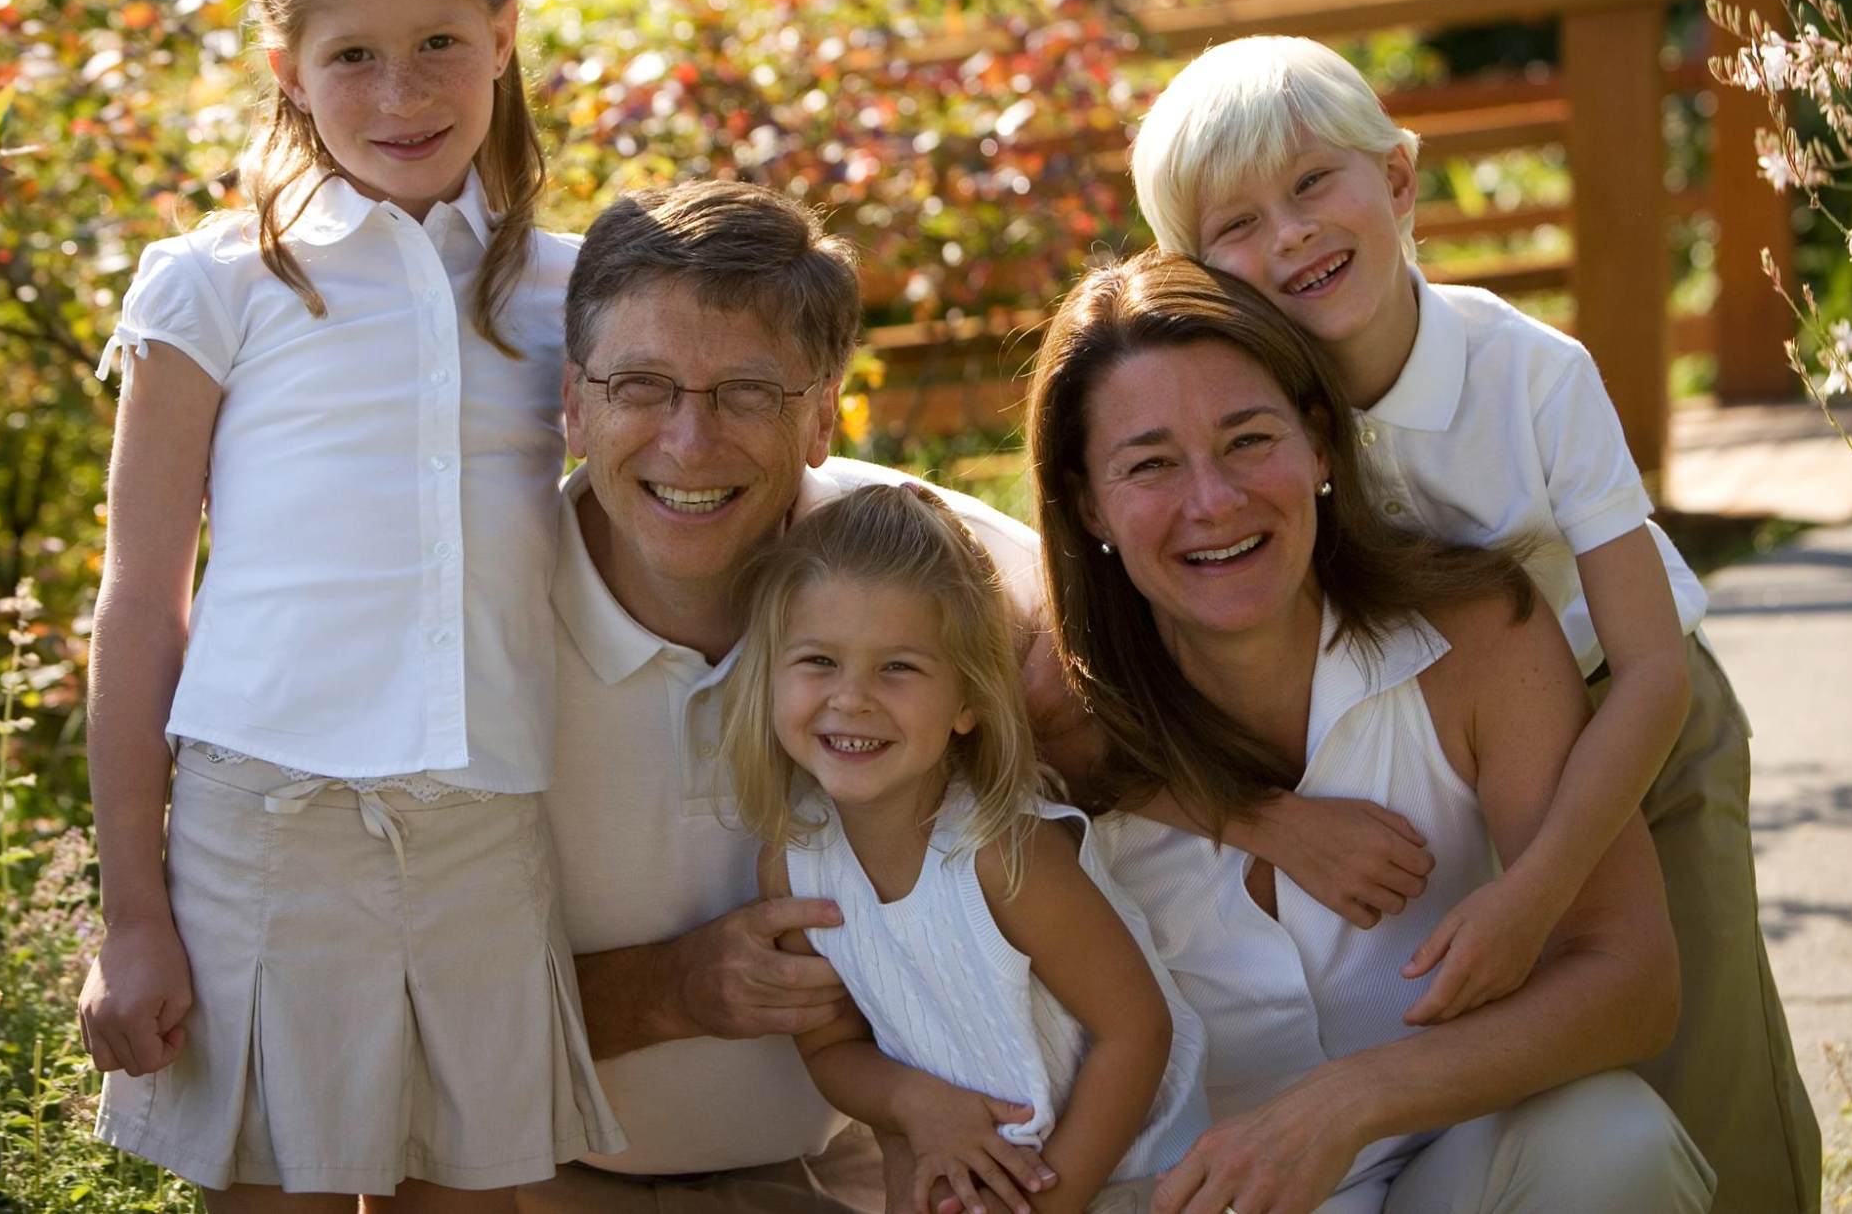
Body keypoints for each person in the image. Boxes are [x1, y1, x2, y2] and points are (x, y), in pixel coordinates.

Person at [1128, 34, 1819, 1212]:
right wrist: (1272, 819)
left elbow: (1652, 671)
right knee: (1536, 1068)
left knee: (1699, 1053)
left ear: (1397, 178)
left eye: (1311, 182)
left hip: (1625, 717)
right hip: (1439, 758)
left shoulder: (1528, 375)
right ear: (1191, 272)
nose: (1288, 235)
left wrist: (1535, 888)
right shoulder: (1252, 424)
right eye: (1234, 224)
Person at [76, 0, 620, 1205]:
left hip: (487, 830)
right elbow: (141, 601)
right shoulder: (215, 286)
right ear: (287, 69)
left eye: (439, 42)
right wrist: (132, 915)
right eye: (352, 56)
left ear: (503, 35)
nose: (401, 93)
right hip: (265, 835)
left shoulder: (577, 289)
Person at [1027, 250, 1713, 1212]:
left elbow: (1630, 981)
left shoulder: (1475, 639)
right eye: (1151, 464)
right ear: (1088, 503)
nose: (1213, 501)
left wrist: (1352, 1101)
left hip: (1448, 1166)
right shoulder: (1047, 716)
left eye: (1247, 439)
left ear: (1318, 444)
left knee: (1613, 1143)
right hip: (1185, 1197)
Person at [523, 180, 1048, 1213]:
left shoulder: (935, 570)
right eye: (642, 385)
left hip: (861, 1170)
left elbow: (1128, 708)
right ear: (574, 403)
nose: (690, 442)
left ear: (820, 413)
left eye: (748, 392)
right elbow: (394, 1008)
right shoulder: (472, 619)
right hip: (536, 1184)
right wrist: (673, 988)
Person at [726, 482, 1213, 1214]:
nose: (851, 698)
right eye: (819, 660)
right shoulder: (794, 863)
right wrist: (915, 1102)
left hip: (1140, 1179)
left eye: (898, 667)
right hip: (978, 1179)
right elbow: (830, 1049)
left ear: (967, 701)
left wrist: (1049, 1203)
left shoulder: (1003, 855)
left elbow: (1137, 1033)